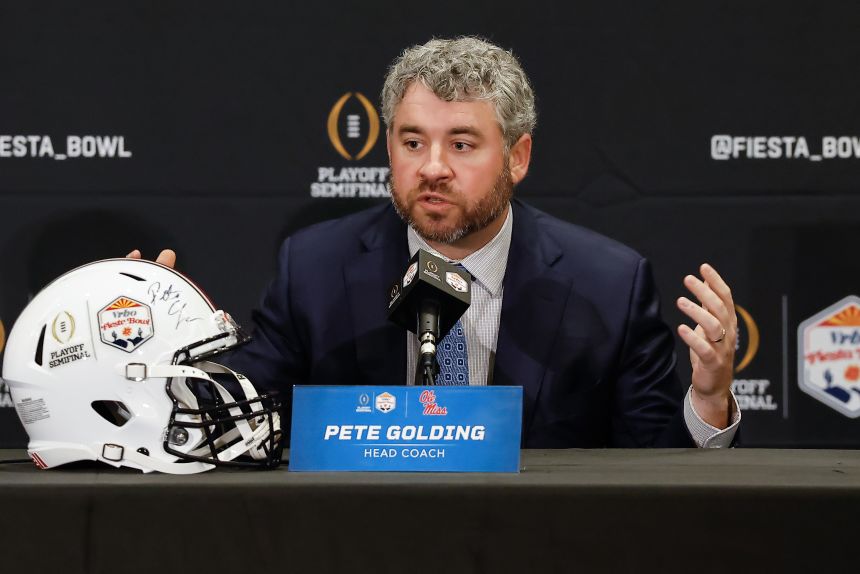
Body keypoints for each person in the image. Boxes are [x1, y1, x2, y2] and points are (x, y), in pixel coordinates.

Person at [130, 36, 739, 448]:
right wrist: (143, 347)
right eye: (413, 141)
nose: (433, 167)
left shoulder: (606, 284)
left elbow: (658, 467)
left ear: (518, 156)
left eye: (463, 144)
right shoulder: (315, 267)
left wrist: (709, 400)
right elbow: (237, 410)